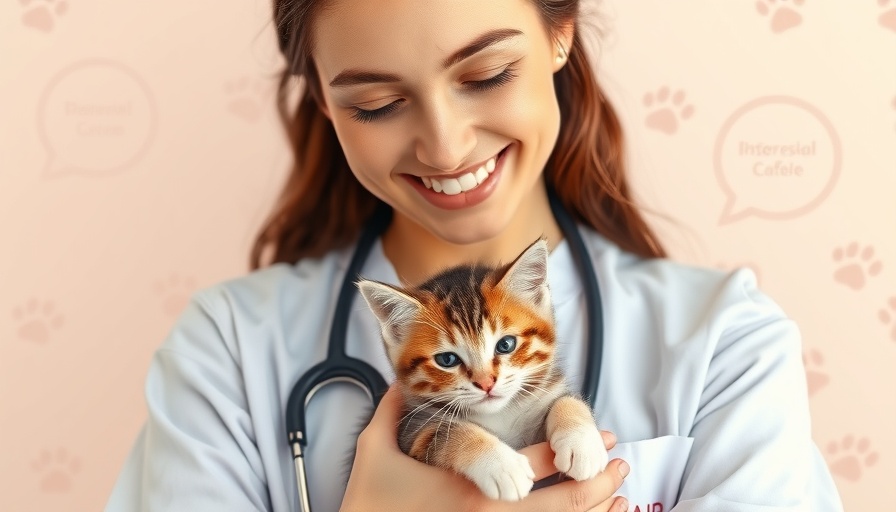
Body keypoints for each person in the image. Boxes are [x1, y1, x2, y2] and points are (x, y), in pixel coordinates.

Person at [105, 0, 844, 510]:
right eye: (376, 104)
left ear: (561, 32)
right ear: (326, 102)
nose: (447, 146)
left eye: (486, 75)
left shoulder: (727, 343)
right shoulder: (227, 352)